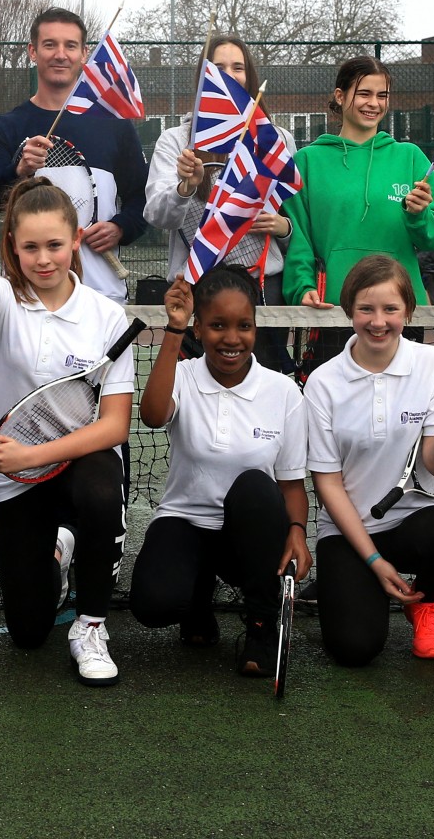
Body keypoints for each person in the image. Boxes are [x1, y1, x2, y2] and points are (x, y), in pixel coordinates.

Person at [0, 177, 136, 686]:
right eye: (30, 247)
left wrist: (32, 454)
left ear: (76, 241)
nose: (43, 258)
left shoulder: (108, 317)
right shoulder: (3, 301)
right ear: (13, 247)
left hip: (78, 463)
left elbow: (114, 426)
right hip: (18, 483)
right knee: (28, 633)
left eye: (55, 245)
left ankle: (91, 625)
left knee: (99, 489)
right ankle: (61, 548)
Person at [303, 254, 434, 666]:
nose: (378, 321)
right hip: (350, 532)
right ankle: (367, 583)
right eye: (366, 309)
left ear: (408, 310)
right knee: (354, 649)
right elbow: (328, 484)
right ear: (348, 309)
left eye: (390, 309)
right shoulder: (322, 383)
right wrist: (373, 559)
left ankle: (426, 602)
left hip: (417, 522)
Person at [129, 267, 311, 680]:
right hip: (186, 521)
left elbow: (291, 484)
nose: (231, 338)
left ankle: (263, 627)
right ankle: (196, 602)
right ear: (199, 327)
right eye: (217, 326)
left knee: (255, 487)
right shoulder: (185, 375)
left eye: (243, 326)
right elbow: (153, 415)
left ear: (255, 328)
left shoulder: (283, 392)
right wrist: (173, 330)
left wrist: (297, 531)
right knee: (153, 605)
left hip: (249, 537)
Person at [0, 6, 148, 304]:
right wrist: (18, 171)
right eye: (49, 45)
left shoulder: (115, 125)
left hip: (102, 296)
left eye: (70, 46)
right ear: (32, 51)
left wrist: (121, 227)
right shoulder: (4, 128)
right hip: (28, 299)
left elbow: (142, 199)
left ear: (84, 54)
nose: (60, 54)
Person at [144, 33, 294, 370]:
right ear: (203, 77)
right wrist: (185, 188)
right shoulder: (175, 141)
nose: (228, 74)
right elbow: (156, 215)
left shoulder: (276, 139)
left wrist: (283, 228)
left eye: (237, 67)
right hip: (195, 289)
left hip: (264, 290)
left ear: (249, 76)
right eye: (219, 66)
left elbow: (299, 223)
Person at [283, 55, 434, 313]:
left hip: (401, 310)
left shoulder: (411, 158)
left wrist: (419, 215)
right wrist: (302, 286)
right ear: (340, 96)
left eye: (382, 95)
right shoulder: (305, 162)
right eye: (364, 94)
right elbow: (299, 238)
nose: (374, 103)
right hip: (334, 308)